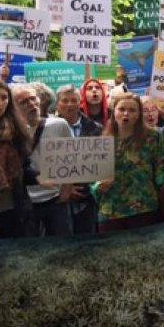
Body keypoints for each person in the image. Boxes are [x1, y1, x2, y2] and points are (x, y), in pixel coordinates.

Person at [92, 93, 164, 231]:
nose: (126, 113)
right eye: (121, 109)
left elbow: (163, 171)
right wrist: (98, 186)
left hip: (144, 208)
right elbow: (92, 175)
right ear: (114, 111)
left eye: (132, 110)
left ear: (139, 114)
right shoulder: (102, 141)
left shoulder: (153, 137)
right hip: (110, 210)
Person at [13, 84, 74, 237]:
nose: (31, 104)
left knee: (63, 245)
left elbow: (72, 157)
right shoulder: (10, 132)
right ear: (13, 107)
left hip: (55, 199)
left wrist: (66, 189)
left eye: (33, 99)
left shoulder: (59, 124)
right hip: (25, 202)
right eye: (23, 102)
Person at [0, 79, 36, 239]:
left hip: (16, 209)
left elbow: (23, 169)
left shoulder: (16, 131)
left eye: (4, 97)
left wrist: (40, 177)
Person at [55, 85, 102, 235]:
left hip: (86, 197)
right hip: (56, 199)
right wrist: (65, 188)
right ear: (57, 104)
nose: (69, 104)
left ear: (80, 102)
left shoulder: (96, 128)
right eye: (65, 100)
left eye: (73, 100)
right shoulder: (46, 128)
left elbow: (100, 163)